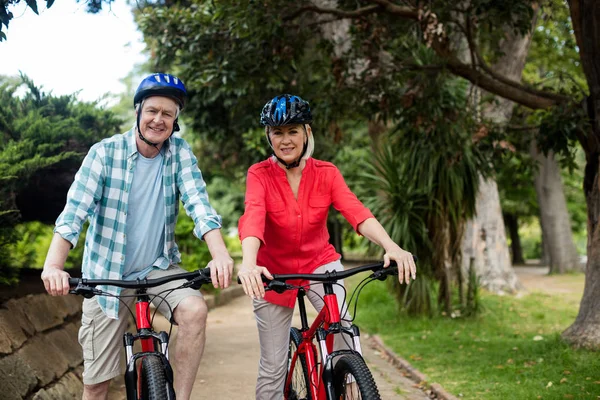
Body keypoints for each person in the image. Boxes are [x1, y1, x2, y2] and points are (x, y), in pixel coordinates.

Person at [40, 73, 234, 400]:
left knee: (194, 311)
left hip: (158, 267)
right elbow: (74, 213)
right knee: (96, 385)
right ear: (138, 112)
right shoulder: (105, 154)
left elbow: (199, 205)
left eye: (168, 114)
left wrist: (221, 255)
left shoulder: (180, 154)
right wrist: (53, 266)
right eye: (152, 111)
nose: (159, 120)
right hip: (107, 278)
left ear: (175, 122)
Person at [237, 94, 417, 399]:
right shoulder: (259, 174)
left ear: (307, 132)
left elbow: (356, 211)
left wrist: (391, 246)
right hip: (273, 272)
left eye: (293, 131)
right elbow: (253, 216)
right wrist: (249, 262)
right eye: (277, 133)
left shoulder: (327, 172)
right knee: (273, 366)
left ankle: (345, 387)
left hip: (320, 263)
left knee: (342, 330)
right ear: (268, 137)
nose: (285, 140)